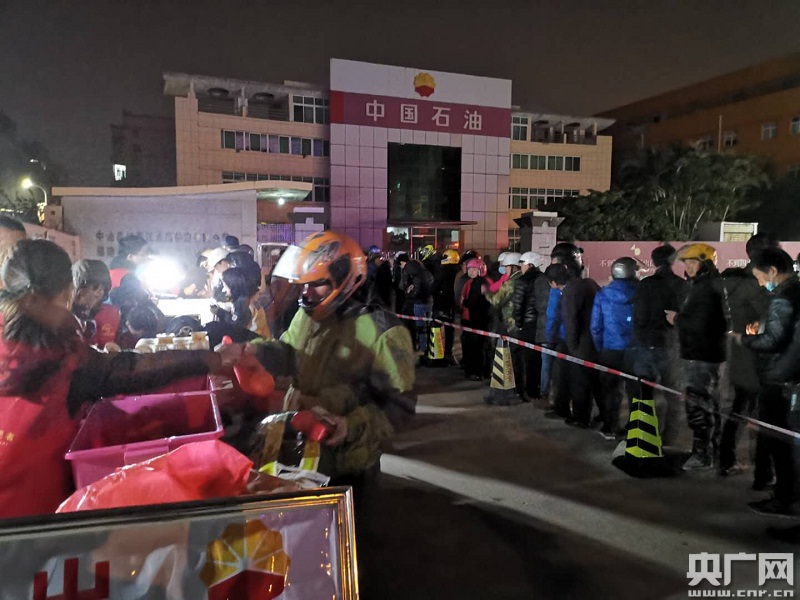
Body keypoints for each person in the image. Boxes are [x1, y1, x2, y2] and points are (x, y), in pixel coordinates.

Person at [0, 239, 241, 518]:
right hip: (34, 519)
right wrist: (211, 359)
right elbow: (129, 370)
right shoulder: (61, 355)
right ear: (67, 291)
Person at [249, 231, 416, 482]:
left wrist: (349, 425)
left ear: (344, 278)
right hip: (302, 445)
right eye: (303, 284)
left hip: (349, 461)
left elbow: (399, 405)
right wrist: (255, 352)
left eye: (316, 283)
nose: (306, 293)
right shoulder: (309, 314)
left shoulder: (384, 331)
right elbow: (290, 351)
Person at [731, 248, 800, 516]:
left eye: (760, 277)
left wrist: (745, 340)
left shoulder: (783, 298)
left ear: (773, 271)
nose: (760, 284)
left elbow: (774, 340)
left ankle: (785, 498)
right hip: (790, 377)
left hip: (781, 378)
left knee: (780, 443)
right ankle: (787, 494)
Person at [718, 233, 777, 483]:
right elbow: (772, 318)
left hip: (743, 358)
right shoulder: (755, 284)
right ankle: (763, 474)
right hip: (759, 360)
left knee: (740, 410)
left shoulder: (739, 280)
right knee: (766, 420)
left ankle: (727, 460)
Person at [666, 243, 727, 470]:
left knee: (698, 406)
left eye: (693, 262)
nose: (689, 267)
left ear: (706, 263)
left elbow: (700, 324)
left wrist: (676, 319)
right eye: (687, 263)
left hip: (701, 354)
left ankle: (702, 455)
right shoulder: (705, 285)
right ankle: (712, 452)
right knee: (707, 403)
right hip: (704, 353)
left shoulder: (707, 288)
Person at [630, 244, 685, 444]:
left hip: (646, 344)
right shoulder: (682, 285)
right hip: (670, 344)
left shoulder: (645, 285)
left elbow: (638, 316)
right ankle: (669, 437)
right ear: (673, 260)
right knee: (672, 393)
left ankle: (645, 437)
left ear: (653, 261)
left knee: (644, 392)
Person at [590, 257, 638, 439]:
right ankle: (636, 428)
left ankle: (610, 427)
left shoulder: (603, 295)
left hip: (609, 350)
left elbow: (595, 326)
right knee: (635, 391)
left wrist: (600, 347)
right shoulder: (641, 293)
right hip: (634, 351)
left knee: (610, 391)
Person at [560, 253, 600, 428]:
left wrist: (572, 344)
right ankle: (603, 417)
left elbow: (571, 320)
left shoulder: (571, 289)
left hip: (581, 343)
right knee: (595, 382)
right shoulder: (591, 284)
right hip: (594, 340)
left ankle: (581, 417)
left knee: (580, 382)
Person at [510, 251, 545, 402]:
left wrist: (518, 324)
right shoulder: (544, 279)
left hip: (527, 325)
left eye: (522, 265)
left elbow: (518, 306)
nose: (521, 268)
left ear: (530, 265)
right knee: (537, 360)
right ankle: (536, 390)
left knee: (525, 361)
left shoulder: (521, 281)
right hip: (540, 324)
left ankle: (525, 391)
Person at [71, 259, 119, 347]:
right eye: (95, 287)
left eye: (103, 288)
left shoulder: (109, 313)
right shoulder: (63, 316)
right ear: (79, 289)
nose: (100, 292)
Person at [461, 257, 492, 381]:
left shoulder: (477, 283)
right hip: (483, 319)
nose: (471, 272)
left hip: (477, 319)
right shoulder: (485, 281)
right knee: (482, 346)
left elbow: (472, 301)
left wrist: (465, 302)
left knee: (476, 347)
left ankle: (476, 371)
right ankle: (484, 371)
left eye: (474, 269)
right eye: (469, 269)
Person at [400, 256, 434, 355]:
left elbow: (416, 292)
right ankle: (428, 346)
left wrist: (408, 293)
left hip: (419, 303)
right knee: (427, 325)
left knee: (420, 326)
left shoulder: (417, 277)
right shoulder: (427, 273)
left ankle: (423, 347)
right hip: (429, 301)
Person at [433, 249, 460, 365]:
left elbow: (434, 287)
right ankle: (448, 353)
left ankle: (436, 354)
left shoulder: (443, 271)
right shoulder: (458, 272)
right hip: (451, 305)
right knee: (450, 330)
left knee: (436, 328)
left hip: (441, 304)